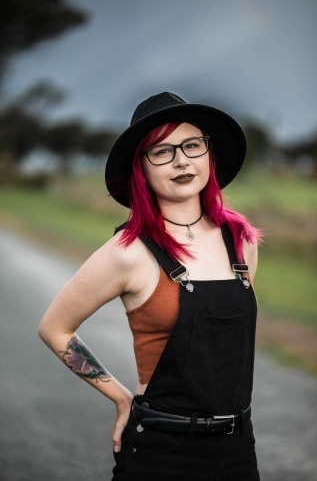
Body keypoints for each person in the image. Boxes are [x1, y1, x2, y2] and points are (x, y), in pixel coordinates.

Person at [38, 92, 262, 480]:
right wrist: (121, 396)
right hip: (163, 451)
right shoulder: (127, 252)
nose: (181, 160)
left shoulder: (240, 240)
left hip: (239, 449)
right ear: (140, 168)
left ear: (208, 154)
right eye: (161, 151)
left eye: (191, 145)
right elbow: (55, 328)